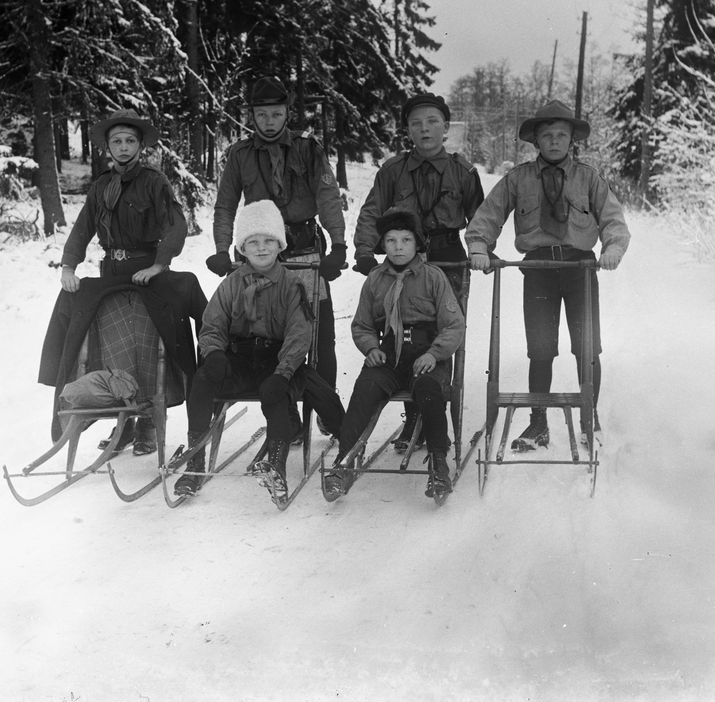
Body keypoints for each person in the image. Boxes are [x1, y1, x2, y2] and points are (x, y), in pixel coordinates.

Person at [465, 99, 630, 451]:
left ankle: (589, 418)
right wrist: (478, 247)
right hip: (538, 269)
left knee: (587, 347)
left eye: (561, 135)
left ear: (572, 140)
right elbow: (487, 216)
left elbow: (614, 220)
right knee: (539, 349)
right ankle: (537, 423)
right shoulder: (518, 178)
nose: (554, 141)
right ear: (535, 141)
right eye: (547, 135)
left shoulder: (588, 178)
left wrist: (613, 249)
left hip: (579, 268)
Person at [175, 200, 344, 507]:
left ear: (280, 245)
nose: (262, 248)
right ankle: (195, 462)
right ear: (242, 248)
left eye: (268, 241)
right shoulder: (232, 284)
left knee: (274, 391)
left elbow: (299, 334)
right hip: (240, 360)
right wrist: (214, 354)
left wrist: (284, 371)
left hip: (277, 361)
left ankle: (276, 466)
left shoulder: (292, 284)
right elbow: (212, 324)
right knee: (201, 380)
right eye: (253, 242)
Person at [50, 109, 189, 455]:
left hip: (146, 274)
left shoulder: (155, 181)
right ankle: (122, 421)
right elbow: (83, 228)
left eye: (130, 141)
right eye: (117, 142)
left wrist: (159, 265)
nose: (123, 147)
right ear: (107, 147)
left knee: (147, 347)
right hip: (112, 274)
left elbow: (175, 224)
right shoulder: (100, 186)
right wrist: (68, 267)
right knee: (114, 348)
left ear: (141, 146)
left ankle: (147, 424)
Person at [352, 92, 484, 453]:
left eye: (432, 122)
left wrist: (480, 249)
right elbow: (372, 211)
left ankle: (433, 413)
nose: (424, 129)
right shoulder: (392, 171)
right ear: (407, 130)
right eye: (416, 123)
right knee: (403, 332)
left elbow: (481, 218)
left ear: (446, 127)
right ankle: (413, 419)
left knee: (441, 333)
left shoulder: (463, 172)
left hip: (447, 257)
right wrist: (364, 250)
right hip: (402, 258)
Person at [207, 76, 347, 417]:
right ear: (251, 116)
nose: (269, 121)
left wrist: (339, 245)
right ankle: (286, 413)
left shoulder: (307, 148)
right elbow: (225, 205)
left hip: (305, 250)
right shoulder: (240, 154)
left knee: (318, 331)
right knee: (267, 332)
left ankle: (324, 408)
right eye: (261, 114)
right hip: (259, 252)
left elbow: (327, 197)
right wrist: (222, 249)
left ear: (287, 113)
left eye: (276, 114)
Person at [323, 209, 466, 502]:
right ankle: (343, 463)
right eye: (391, 240)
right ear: (383, 244)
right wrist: (371, 348)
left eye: (405, 240)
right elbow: (362, 325)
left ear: (417, 243)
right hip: (388, 357)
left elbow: (454, 325)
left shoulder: (433, 277)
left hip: (426, 356)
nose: (398, 247)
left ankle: (439, 465)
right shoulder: (375, 279)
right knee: (364, 389)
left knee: (428, 390)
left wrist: (434, 354)